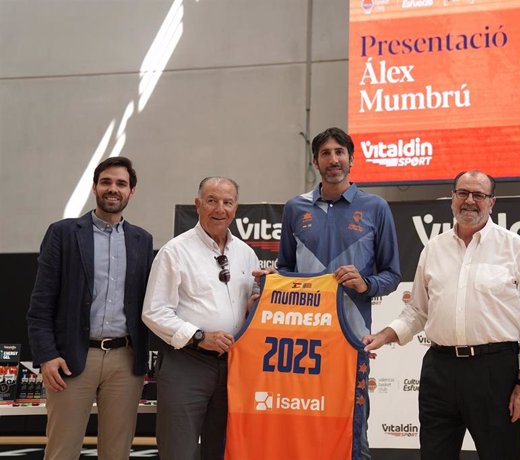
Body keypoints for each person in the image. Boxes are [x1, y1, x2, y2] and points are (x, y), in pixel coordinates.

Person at [363, 170, 520, 460]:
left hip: (495, 371)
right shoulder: (434, 248)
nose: (469, 201)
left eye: (478, 195)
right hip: (440, 370)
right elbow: (418, 310)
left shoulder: (515, 247)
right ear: (452, 198)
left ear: (492, 202)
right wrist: (385, 335)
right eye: (463, 193)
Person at [276, 127, 402, 458]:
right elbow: (285, 270)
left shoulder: (376, 207)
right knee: (304, 421)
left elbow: (392, 274)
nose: (334, 160)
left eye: (340, 152)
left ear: (351, 158)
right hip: (301, 338)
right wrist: (271, 282)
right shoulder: (294, 208)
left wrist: (366, 283)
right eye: (326, 153)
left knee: (353, 426)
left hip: (352, 337)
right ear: (315, 161)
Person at [27, 156, 153, 460]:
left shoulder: (142, 240)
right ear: (94, 186)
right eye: (106, 182)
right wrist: (46, 356)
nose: (113, 189)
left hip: (125, 360)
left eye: (121, 183)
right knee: (61, 451)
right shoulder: (63, 233)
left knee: (117, 452)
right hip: (71, 359)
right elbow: (41, 303)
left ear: (131, 191)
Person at [142, 177, 259, 460]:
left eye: (227, 202)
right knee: (178, 449)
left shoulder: (246, 254)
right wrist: (199, 337)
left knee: (221, 449)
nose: (220, 209)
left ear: (236, 208)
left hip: (233, 366)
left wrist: (259, 304)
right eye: (211, 200)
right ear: (198, 205)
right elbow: (154, 311)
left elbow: (251, 307)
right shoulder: (175, 251)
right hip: (187, 363)